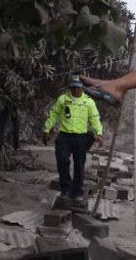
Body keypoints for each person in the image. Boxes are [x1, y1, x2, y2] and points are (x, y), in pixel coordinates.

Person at [42, 75, 103, 206]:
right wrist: (47, 129)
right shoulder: (63, 99)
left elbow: (94, 118)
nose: (75, 90)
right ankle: (65, 189)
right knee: (63, 161)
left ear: (82, 88)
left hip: (81, 138)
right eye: (73, 88)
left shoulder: (88, 102)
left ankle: (77, 193)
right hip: (64, 137)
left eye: (78, 88)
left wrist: (99, 133)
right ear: (70, 87)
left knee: (79, 166)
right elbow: (53, 114)